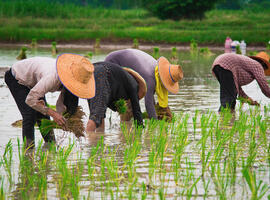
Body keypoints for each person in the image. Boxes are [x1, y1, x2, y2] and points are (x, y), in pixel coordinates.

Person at [4, 53, 95, 148]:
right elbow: (30, 100)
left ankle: (51, 145)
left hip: (35, 83)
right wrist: (53, 114)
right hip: (17, 77)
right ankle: (29, 151)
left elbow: (61, 104)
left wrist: (64, 120)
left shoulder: (69, 83)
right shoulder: (52, 78)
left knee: (44, 116)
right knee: (29, 115)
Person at [105, 49, 183, 120]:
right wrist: (155, 122)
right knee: (127, 103)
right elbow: (148, 104)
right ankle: (124, 126)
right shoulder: (150, 77)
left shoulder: (156, 70)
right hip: (113, 62)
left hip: (123, 62)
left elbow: (150, 97)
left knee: (132, 99)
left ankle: (127, 124)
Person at [86, 61, 146, 132]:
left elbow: (106, 103)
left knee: (99, 114)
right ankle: (89, 141)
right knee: (95, 116)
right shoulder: (134, 86)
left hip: (89, 72)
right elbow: (137, 111)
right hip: (101, 74)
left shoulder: (120, 79)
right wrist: (140, 130)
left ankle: (99, 139)